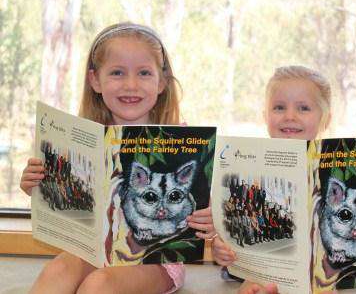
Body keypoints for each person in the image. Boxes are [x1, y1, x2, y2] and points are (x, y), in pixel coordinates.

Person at [20, 22, 215, 294]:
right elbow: (66, 206)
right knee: (58, 270)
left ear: (162, 82)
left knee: (99, 285)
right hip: (92, 247)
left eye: (144, 73)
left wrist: (209, 216)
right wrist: (37, 186)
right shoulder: (78, 138)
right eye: (117, 73)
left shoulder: (183, 140)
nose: (131, 85)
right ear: (95, 80)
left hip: (155, 259)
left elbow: (205, 209)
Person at [211, 65, 356, 294]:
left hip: (321, 279)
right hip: (265, 276)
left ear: (325, 119)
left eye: (304, 108)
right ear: (265, 116)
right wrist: (222, 250)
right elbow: (235, 242)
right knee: (254, 288)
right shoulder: (245, 165)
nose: (290, 116)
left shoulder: (336, 171)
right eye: (279, 107)